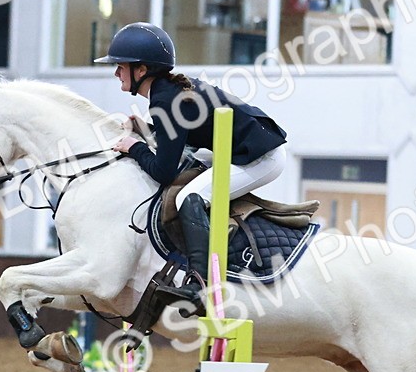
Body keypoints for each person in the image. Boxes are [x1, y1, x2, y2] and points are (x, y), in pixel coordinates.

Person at [96, 22, 289, 307]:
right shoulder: (166, 92)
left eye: (120, 66)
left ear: (142, 70)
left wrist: (134, 146)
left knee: (190, 196)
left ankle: (201, 283)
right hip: (238, 150)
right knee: (191, 168)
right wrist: (144, 130)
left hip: (261, 158)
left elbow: (163, 171)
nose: (115, 72)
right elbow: (177, 140)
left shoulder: (164, 99)